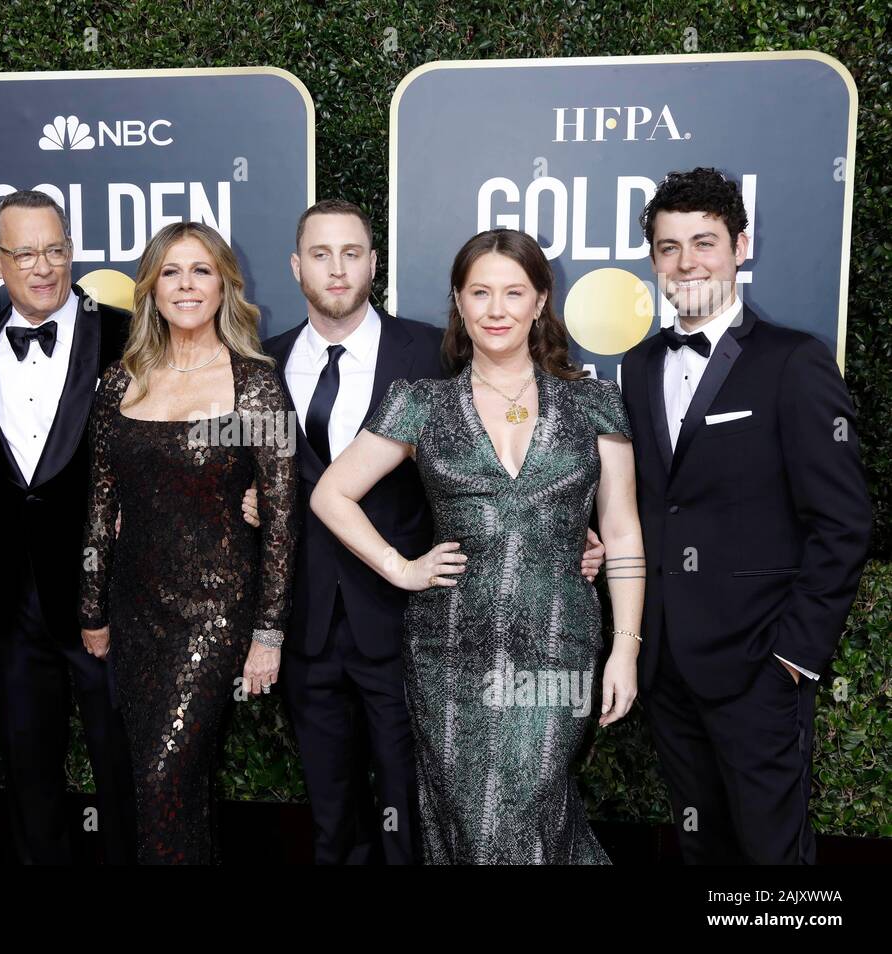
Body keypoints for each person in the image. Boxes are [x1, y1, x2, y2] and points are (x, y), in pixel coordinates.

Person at [256, 200, 604, 864]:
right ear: (296, 267)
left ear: (374, 264)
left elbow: (505, 452)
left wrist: (570, 532)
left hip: (413, 621)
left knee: (415, 812)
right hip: (304, 619)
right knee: (327, 812)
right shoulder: (259, 366)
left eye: (352, 253)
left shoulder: (432, 355)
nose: (337, 269)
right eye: (321, 255)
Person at [621, 167, 871, 864]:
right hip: (667, 666)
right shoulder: (638, 367)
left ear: (741, 245)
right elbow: (652, 499)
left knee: (772, 858)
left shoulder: (793, 362)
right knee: (703, 851)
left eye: (705, 242)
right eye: (669, 247)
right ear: (653, 260)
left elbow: (844, 522)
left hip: (760, 665)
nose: (687, 261)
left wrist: (793, 657)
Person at [78, 221, 298, 864]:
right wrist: (91, 608)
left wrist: (268, 633)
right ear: (151, 288)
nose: (186, 285)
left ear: (225, 284)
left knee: (165, 772)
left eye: (201, 270)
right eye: (171, 272)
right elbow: (100, 503)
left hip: (215, 613)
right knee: (166, 780)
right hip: (134, 608)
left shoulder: (257, 383)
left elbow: (283, 521)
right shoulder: (122, 382)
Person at [0, 190, 138, 864]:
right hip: (9, 596)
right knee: (28, 764)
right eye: (25, 253)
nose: (43, 267)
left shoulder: (130, 333)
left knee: (122, 758)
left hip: (111, 593)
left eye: (56, 250)